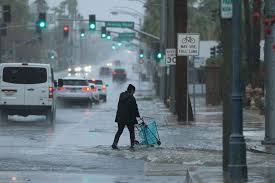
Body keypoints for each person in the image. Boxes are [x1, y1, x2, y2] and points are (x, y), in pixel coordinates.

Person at [112, 84, 140, 150]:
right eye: (134, 91)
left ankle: (114, 144)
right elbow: (134, 109)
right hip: (129, 119)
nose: (134, 92)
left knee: (119, 131)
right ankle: (132, 145)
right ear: (132, 90)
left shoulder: (121, 95)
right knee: (131, 132)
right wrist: (138, 116)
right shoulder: (132, 98)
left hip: (120, 118)